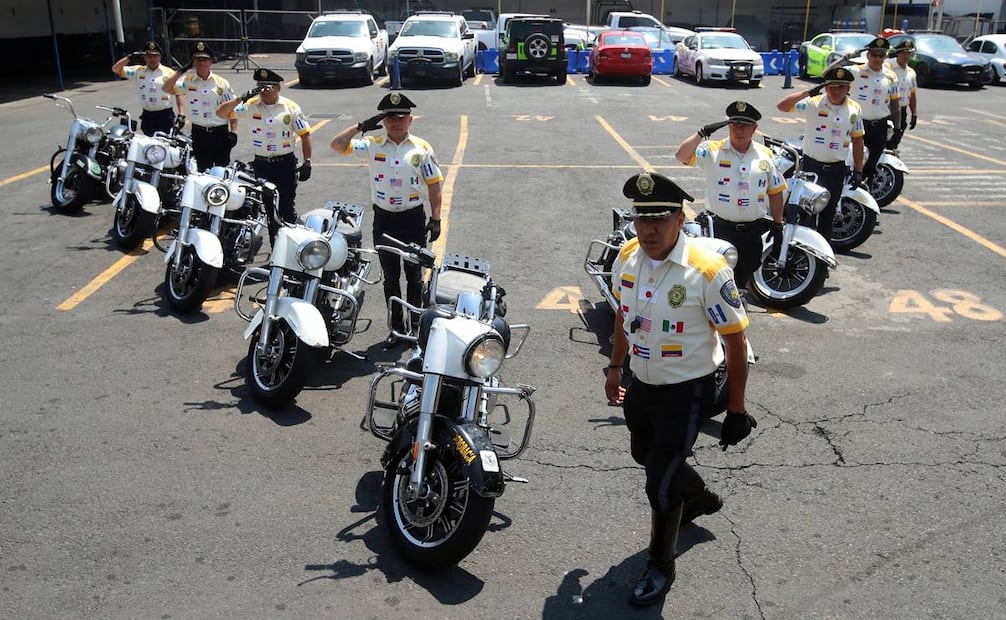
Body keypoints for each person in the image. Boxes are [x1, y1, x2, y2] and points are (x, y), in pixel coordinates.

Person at [603, 172, 756, 607]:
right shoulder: (629, 256)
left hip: (687, 390)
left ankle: (660, 566)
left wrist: (737, 410)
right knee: (644, 456)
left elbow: (735, 340)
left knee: (660, 485)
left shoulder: (706, 272)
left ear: (680, 218)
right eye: (641, 219)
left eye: (659, 220)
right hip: (642, 384)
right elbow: (621, 315)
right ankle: (700, 497)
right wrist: (615, 367)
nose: (648, 230)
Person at [329, 92, 443, 347]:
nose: (395, 123)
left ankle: (414, 327)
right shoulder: (372, 144)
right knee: (390, 278)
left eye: (401, 118)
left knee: (414, 276)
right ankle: (396, 327)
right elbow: (336, 145)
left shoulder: (421, 148)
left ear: (410, 120)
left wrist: (436, 219)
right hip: (385, 221)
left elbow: (434, 185)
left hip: (412, 220)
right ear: (383, 120)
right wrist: (360, 126)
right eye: (390, 118)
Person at [674, 101, 787, 294]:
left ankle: (736, 318)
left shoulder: (765, 155)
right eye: (734, 124)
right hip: (719, 229)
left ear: (754, 128)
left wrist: (778, 225)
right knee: (713, 282)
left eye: (744, 125)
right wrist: (702, 133)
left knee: (741, 283)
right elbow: (681, 155)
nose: (738, 130)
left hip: (752, 232)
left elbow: (775, 191)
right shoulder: (712, 150)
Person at [216, 68, 312, 244]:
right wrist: (241, 98)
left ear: (278, 88)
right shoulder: (250, 105)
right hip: (262, 165)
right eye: (261, 86)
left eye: (269, 86)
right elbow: (221, 113)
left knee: (286, 209)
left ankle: (289, 248)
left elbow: (305, 134)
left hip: (285, 164)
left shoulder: (290, 107)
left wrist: (307, 162)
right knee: (269, 209)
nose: (265, 90)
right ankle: (277, 249)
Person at [776, 66, 866, 243]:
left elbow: (858, 141)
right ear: (825, 87)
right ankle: (801, 252)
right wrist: (807, 92)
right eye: (831, 86)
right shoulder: (813, 103)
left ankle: (821, 260)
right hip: (811, 167)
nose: (835, 91)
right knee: (805, 212)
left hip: (836, 170)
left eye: (841, 87)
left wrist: (858, 170)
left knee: (828, 214)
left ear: (848, 89)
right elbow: (782, 106)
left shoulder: (855, 109)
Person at [162, 41, 237, 171]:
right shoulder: (187, 81)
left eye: (205, 59)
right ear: (193, 63)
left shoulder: (222, 83)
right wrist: (180, 71)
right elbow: (166, 88)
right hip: (199, 133)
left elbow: (232, 108)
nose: (202, 63)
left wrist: (234, 132)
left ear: (211, 62)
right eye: (198, 60)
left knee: (221, 171)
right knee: (202, 171)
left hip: (220, 133)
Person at [846, 37, 900, 188]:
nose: (877, 58)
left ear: (886, 56)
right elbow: (827, 73)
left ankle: (866, 196)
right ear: (867, 55)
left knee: (870, 167)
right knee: (852, 164)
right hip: (857, 125)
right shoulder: (856, 71)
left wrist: (897, 128)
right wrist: (846, 58)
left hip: (879, 127)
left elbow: (895, 105)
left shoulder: (891, 76)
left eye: (881, 55)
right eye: (874, 54)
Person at [111, 40, 184, 136]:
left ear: (160, 57)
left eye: (155, 56)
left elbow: (179, 94)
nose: (152, 59)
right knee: (148, 145)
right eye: (149, 56)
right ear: (144, 57)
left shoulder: (169, 73)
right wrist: (129, 57)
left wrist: (181, 114)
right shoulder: (138, 71)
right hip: (147, 116)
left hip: (165, 116)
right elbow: (115, 69)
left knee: (165, 145)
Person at [885, 39, 918, 151]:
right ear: (898, 53)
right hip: (888, 108)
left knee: (897, 136)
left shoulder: (911, 72)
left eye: (909, 53)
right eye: (904, 53)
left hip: (902, 109)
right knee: (885, 139)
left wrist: (914, 113)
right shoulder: (888, 67)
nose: (907, 56)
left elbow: (912, 94)